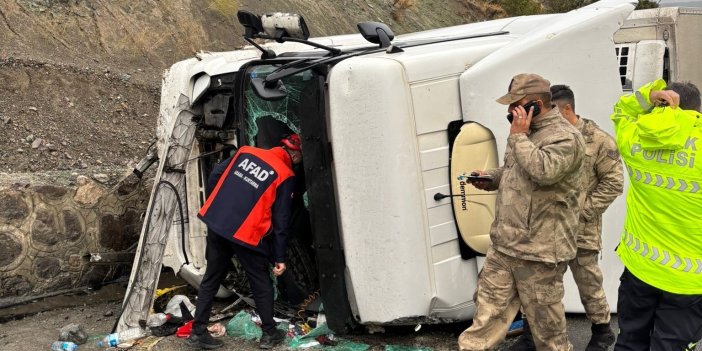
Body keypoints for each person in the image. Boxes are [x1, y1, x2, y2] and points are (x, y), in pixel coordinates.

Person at [457, 73, 585, 351]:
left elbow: (544, 171)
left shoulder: (566, 138)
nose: (509, 110)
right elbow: (517, 173)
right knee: (484, 323)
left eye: (516, 103)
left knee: (548, 337)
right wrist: (491, 177)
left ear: (536, 104)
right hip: (505, 246)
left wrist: (518, 136)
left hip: (539, 253)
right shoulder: (524, 133)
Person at [512, 85, 624, 351]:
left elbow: (613, 183)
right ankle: (531, 335)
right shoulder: (541, 137)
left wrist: (584, 211)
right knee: (540, 286)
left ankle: (602, 331)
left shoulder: (598, 140)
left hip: (581, 230)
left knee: (589, 283)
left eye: (552, 113)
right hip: (546, 230)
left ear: (566, 109)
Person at [186, 134, 303, 350]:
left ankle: (198, 331)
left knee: (212, 277)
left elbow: (216, 175)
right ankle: (269, 333)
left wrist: (220, 202)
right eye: (300, 157)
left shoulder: (246, 152)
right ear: (294, 154)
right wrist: (279, 257)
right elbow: (281, 220)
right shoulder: (286, 175)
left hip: (217, 222)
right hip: (246, 233)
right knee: (260, 281)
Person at [609, 79, 702, 351]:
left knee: (629, 342)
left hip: (641, 268)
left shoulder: (635, 137)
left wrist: (650, 95)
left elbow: (621, 110)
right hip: (689, 280)